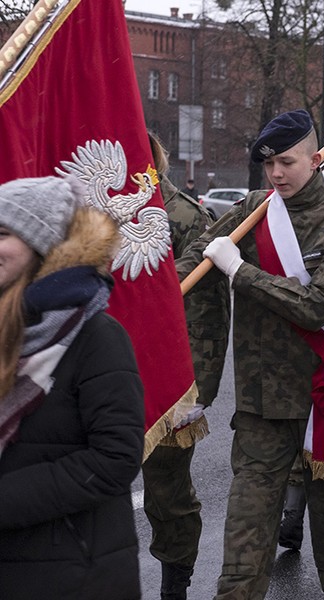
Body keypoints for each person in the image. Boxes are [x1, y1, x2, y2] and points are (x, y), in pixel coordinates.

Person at [177, 109, 324, 600]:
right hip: (263, 402)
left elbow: (315, 307)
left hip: (321, 398)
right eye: (269, 164)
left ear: (316, 158)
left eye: (287, 162)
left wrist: (240, 272)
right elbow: (199, 254)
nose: (277, 174)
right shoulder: (254, 209)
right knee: (246, 528)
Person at [0, 176, 145, 599]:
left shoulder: (97, 335)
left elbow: (115, 458)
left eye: (3, 233)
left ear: (41, 243)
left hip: (71, 573)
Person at [142, 134, 231, 600]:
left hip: (168, 379)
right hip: (104, 371)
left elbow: (210, 318)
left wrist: (200, 392)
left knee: (165, 487)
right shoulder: (92, 217)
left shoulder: (187, 219)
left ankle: (174, 579)